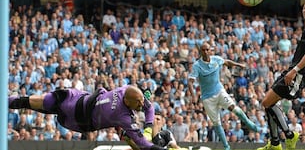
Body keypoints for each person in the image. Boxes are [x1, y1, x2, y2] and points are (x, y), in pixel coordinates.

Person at [9, 86, 167, 150]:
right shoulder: (122, 114)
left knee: (41, 104)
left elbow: (149, 107)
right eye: (138, 103)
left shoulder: (128, 94)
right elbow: (144, 144)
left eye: (141, 101)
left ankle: (125, 136)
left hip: (77, 117)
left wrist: (148, 126)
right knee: (37, 101)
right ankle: (6, 102)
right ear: (127, 101)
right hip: (75, 104)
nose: (142, 105)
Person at [257, 0, 305, 150]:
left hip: (296, 72)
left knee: (266, 102)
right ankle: (275, 143)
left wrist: (297, 71)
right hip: (295, 71)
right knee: (269, 103)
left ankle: (288, 135)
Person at [188, 41, 260, 150]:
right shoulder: (197, 66)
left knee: (233, 108)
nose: (206, 52)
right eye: (204, 50)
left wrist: (238, 65)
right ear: (201, 52)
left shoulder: (216, 59)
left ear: (210, 50)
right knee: (216, 122)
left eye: (208, 49)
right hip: (207, 98)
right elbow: (190, 81)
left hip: (219, 91)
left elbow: (227, 62)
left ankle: (248, 122)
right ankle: (226, 146)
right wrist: (193, 95)